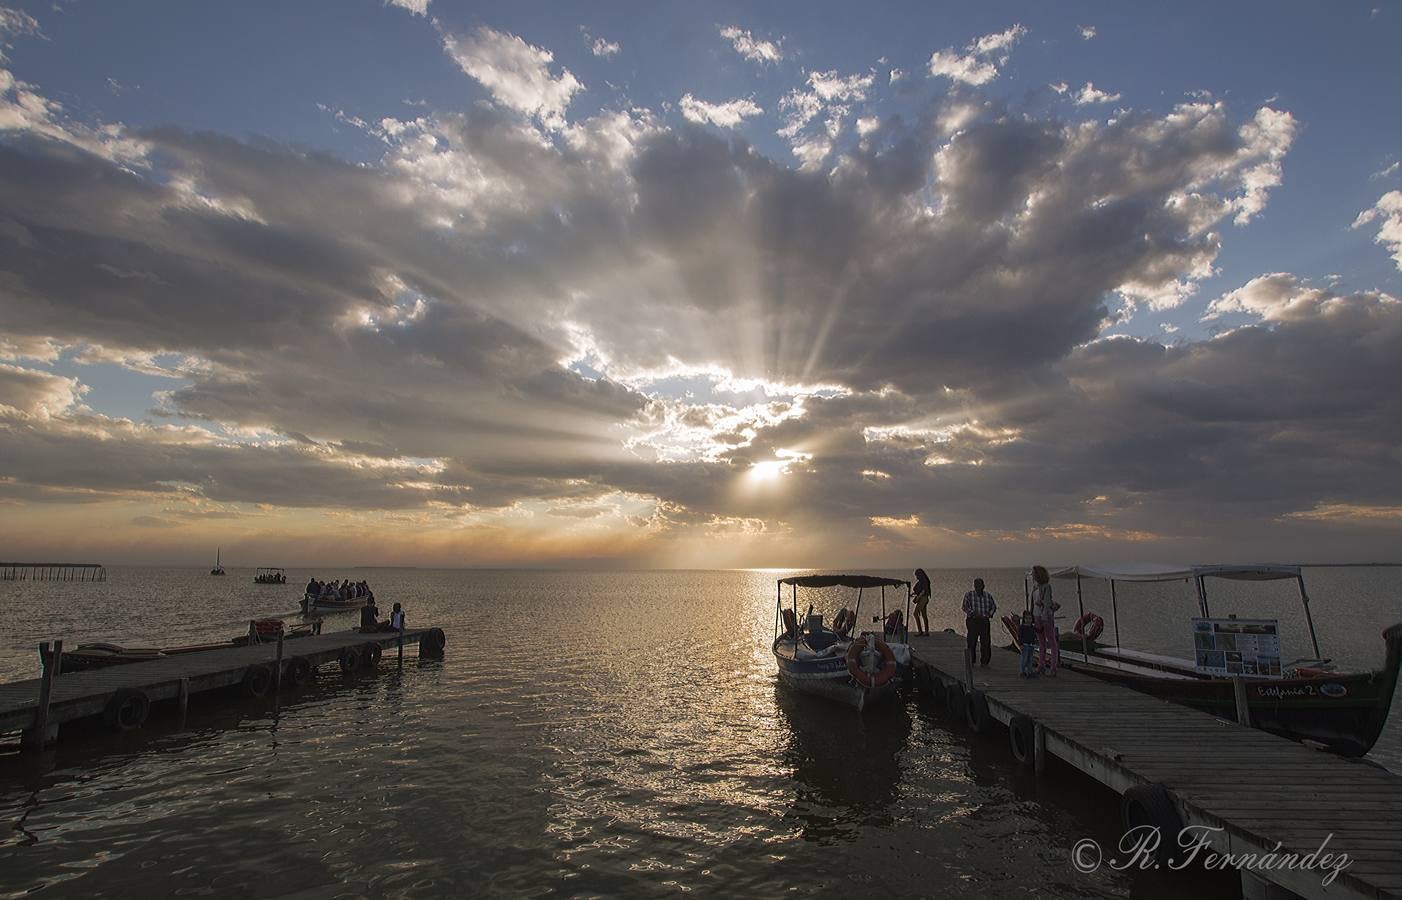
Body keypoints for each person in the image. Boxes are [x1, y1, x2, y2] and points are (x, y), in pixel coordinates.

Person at [1030, 564, 1060, 676]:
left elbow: (1047, 602)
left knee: (1052, 642)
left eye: (1033, 573)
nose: (1032, 575)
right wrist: (1031, 616)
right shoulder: (1035, 587)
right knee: (1041, 642)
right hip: (1036, 616)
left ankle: (1053, 667)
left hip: (1045, 617)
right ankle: (1041, 665)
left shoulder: (1047, 587)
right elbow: (1032, 604)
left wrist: (1044, 615)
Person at [961, 577, 997, 666]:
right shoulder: (969, 595)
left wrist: (989, 614)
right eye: (976, 585)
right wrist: (973, 613)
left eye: (980, 585)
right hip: (973, 620)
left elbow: (993, 606)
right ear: (974, 586)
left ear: (983, 586)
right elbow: (964, 607)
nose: (978, 587)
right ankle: (971, 661)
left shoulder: (988, 596)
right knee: (971, 641)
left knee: (985, 642)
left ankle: (985, 661)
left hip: (984, 620)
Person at [912, 568, 932, 636]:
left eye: (916, 575)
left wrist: (918, 597)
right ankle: (926, 631)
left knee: (915, 613)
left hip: (923, 599)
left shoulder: (924, 581)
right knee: (924, 615)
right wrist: (913, 594)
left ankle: (920, 631)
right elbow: (919, 591)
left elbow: (923, 591)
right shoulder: (922, 581)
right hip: (924, 598)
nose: (916, 577)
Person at [1018, 611, 1038, 677]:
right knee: (1024, 659)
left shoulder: (1032, 627)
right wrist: (1020, 644)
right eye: (1027, 618)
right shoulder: (1022, 627)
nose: (1028, 620)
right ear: (1024, 619)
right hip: (1024, 645)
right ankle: (1022, 671)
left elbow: (1035, 635)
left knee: (1030, 659)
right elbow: (1020, 637)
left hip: (1031, 645)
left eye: (1030, 618)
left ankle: (1030, 671)